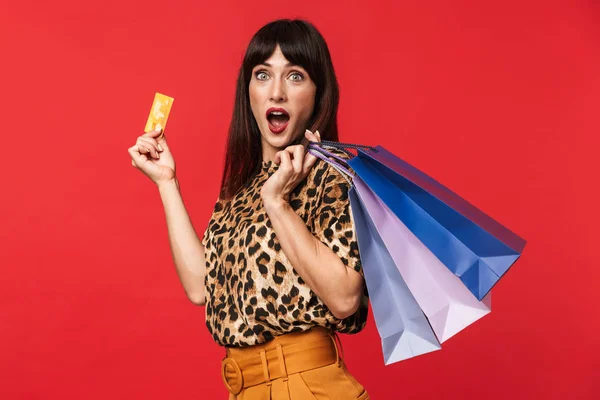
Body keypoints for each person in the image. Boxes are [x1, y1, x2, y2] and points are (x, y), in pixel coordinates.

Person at [128, 19, 370, 399]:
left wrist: (278, 203)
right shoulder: (240, 193)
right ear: (248, 92)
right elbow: (200, 288)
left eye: (295, 76)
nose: (276, 92)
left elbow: (344, 298)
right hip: (244, 388)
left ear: (317, 93)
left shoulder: (333, 177)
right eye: (262, 75)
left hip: (309, 386)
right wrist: (166, 182)